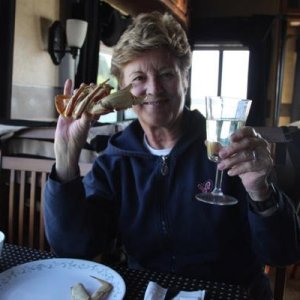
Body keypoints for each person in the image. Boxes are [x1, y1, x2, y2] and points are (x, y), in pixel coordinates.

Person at [44, 11, 300, 299]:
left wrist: (261, 191)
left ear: (185, 78)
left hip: (231, 293)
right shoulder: (115, 161)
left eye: (166, 74)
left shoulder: (232, 150)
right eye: (139, 77)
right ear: (124, 89)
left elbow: (283, 253)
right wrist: (65, 161)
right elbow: (74, 249)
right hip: (151, 292)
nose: (153, 88)